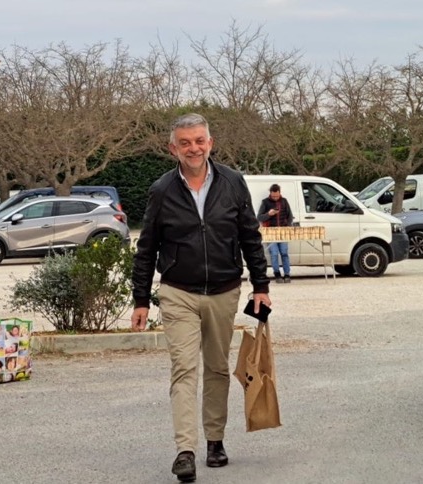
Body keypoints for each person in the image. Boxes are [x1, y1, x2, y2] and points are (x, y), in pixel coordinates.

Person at [131, 113, 272, 483]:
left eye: (199, 141)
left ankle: (215, 440)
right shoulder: (162, 190)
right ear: (172, 147)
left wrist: (261, 287)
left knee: (216, 368)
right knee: (183, 369)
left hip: (224, 291)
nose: (193, 148)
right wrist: (141, 300)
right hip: (178, 292)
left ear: (210, 143)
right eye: (185, 142)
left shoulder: (232, 182)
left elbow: (250, 237)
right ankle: (185, 450)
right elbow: (147, 247)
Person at [257, 184, 294, 283]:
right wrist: (269, 214)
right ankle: (277, 274)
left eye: (277, 196)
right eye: (273, 196)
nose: (275, 198)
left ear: (279, 193)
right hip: (270, 231)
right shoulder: (265, 202)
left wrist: (288, 226)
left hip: (283, 231)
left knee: (284, 253)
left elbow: (290, 216)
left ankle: (287, 274)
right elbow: (259, 217)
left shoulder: (284, 201)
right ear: (270, 193)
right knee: (274, 254)